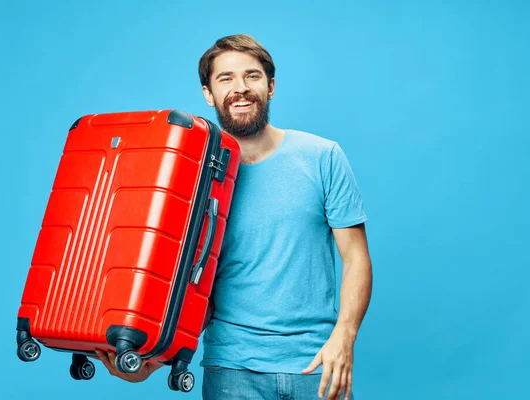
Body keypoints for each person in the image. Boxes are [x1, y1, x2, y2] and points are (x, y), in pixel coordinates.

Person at [95, 34, 373, 400]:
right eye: (225, 78)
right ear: (208, 94)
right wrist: (152, 357)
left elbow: (356, 258)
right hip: (232, 370)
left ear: (271, 86)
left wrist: (345, 338)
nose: (240, 88)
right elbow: (187, 280)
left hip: (318, 364)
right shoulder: (190, 177)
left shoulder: (323, 157)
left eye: (252, 76)